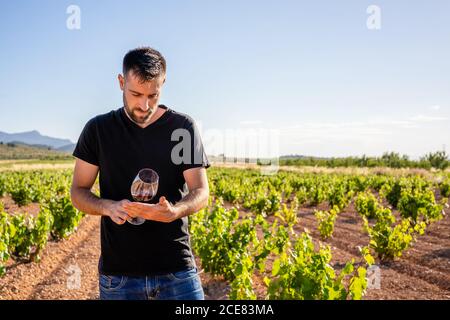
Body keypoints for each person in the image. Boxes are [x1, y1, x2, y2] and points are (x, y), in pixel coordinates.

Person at [70, 47, 210, 300]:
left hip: (177, 272)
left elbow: (201, 191)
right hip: (120, 277)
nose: (144, 105)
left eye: (153, 95)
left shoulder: (182, 128)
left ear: (163, 84)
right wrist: (108, 207)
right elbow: (78, 191)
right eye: (135, 94)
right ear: (121, 82)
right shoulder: (98, 130)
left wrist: (176, 211)